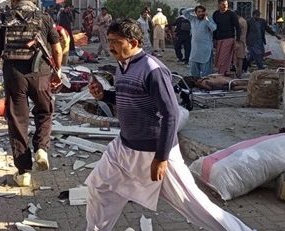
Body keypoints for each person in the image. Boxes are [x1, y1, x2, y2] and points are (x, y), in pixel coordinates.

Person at [85, 19, 253, 231]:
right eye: (109, 41)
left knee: (194, 205)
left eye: (117, 42)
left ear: (134, 42)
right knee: (98, 187)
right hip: (124, 148)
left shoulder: (153, 69)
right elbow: (129, 97)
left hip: (154, 150)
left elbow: (170, 114)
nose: (111, 46)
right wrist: (104, 95)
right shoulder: (122, 66)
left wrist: (161, 158)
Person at [0, 0, 63, 188]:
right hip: (40, 72)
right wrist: (58, 70)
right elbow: (57, 48)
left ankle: (23, 172)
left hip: (14, 75)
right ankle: (41, 149)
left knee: (18, 121)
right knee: (45, 111)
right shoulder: (45, 17)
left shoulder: (2, 19)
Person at [184, 6, 217, 77]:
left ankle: (204, 86)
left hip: (205, 51)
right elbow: (185, 12)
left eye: (202, 11)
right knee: (194, 74)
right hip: (195, 51)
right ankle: (196, 86)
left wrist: (207, 20)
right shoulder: (193, 19)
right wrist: (194, 8)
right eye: (199, 12)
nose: (201, 13)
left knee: (206, 75)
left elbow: (214, 28)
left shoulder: (208, 19)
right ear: (196, 13)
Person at [212, 0, 240, 75]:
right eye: (223, 4)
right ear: (219, 5)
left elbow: (237, 27)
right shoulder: (216, 14)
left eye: (226, 4)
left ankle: (222, 73)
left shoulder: (231, 14)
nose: (225, 6)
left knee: (223, 57)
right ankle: (222, 72)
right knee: (218, 56)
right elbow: (214, 27)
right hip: (219, 38)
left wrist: (237, 41)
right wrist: (214, 39)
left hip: (228, 38)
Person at [234, 11, 248, 78]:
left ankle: (238, 73)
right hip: (242, 41)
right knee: (240, 58)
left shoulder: (239, 21)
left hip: (239, 42)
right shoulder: (243, 20)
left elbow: (238, 32)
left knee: (239, 59)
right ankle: (239, 73)